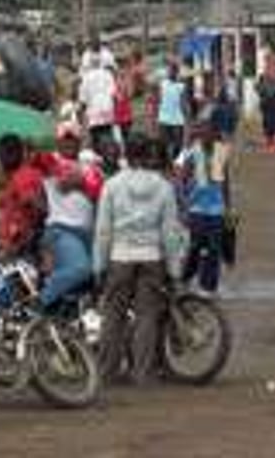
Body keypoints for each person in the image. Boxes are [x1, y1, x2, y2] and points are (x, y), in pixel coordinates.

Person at [93, 135, 183, 385]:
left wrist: (99, 266)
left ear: (126, 154)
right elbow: (170, 233)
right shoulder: (163, 187)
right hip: (151, 258)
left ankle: (106, 372)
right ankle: (141, 373)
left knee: (113, 315)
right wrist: (174, 271)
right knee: (147, 316)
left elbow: (103, 230)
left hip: (120, 257)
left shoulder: (112, 185)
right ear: (148, 155)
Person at [35, 123, 104, 310]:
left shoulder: (91, 167)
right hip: (62, 230)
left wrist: (81, 183)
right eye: (65, 139)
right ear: (57, 142)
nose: (69, 143)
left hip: (89, 234)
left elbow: (99, 196)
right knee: (81, 269)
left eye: (72, 139)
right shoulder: (50, 162)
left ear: (80, 141)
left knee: (97, 279)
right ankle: (39, 301)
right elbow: (35, 156)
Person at [178, 120, 231, 294]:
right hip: (196, 209)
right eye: (203, 133)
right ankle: (185, 278)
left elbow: (224, 181)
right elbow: (182, 180)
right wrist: (183, 206)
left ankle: (208, 287)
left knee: (214, 249)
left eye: (209, 133)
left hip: (216, 209)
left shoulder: (220, 152)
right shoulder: (193, 153)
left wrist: (228, 209)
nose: (206, 137)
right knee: (195, 246)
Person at [0, 135, 47, 259]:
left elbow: (39, 208)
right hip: (17, 247)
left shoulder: (23, 177)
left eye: (9, 152)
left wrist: (19, 243)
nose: (4, 157)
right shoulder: (19, 176)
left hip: (21, 251)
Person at [79, 53, 118, 153]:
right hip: (108, 111)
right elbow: (114, 94)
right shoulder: (108, 74)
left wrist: (81, 115)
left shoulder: (86, 77)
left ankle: (99, 157)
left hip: (94, 113)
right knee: (109, 134)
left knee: (96, 139)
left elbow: (83, 99)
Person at [157, 62, 189, 160]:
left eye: (173, 71)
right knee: (164, 143)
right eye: (170, 71)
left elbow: (183, 102)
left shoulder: (181, 86)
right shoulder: (163, 84)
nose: (171, 73)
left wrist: (187, 115)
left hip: (177, 119)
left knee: (177, 145)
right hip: (164, 118)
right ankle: (166, 163)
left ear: (176, 73)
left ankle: (175, 165)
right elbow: (159, 98)